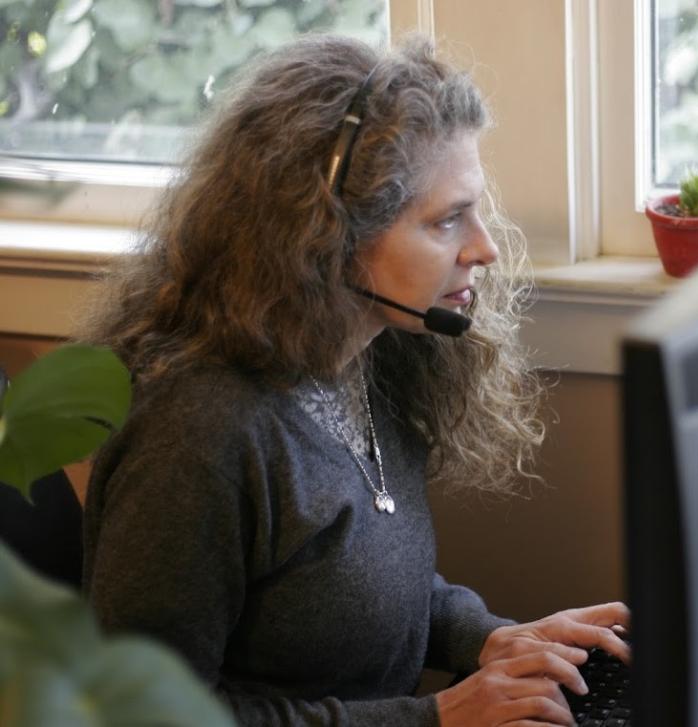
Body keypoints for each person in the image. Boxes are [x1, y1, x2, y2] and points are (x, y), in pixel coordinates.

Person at [80, 34, 629, 726]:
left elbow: (356, 586)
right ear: (327, 236)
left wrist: (487, 637)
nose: (484, 248)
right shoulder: (197, 436)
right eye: (447, 219)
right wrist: (436, 716)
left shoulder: (366, 349)